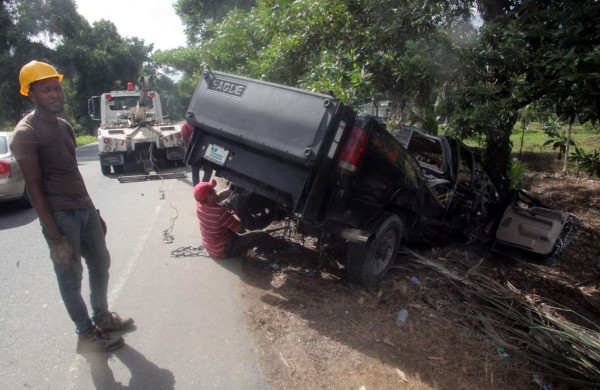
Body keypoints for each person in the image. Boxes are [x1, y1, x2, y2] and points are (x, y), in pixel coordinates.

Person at [9, 61, 134, 354]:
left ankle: (102, 317)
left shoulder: (63, 125)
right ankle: (86, 334)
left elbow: (72, 173)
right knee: (70, 276)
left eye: (56, 88)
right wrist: (55, 236)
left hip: (84, 210)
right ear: (32, 95)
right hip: (61, 217)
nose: (54, 94)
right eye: (46, 90)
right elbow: (35, 189)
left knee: (101, 262)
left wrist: (94, 212)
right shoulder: (25, 133)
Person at [194, 179, 284, 258]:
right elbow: (240, 229)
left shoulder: (200, 206)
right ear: (209, 196)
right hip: (225, 250)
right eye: (213, 190)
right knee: (261, 236)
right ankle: (288, 248)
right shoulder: (219, 213)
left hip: (211, 247)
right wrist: (233, 213)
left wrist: (234, 188)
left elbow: (219, 196)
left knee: (228, 211)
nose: (215, 190)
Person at [181, 121, 212, 185]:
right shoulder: (202, 123)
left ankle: (197, 190)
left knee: (195, 173)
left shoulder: (184, 126)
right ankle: (203, 187)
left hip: (192, 152)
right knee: (208, 170)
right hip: (203, 150)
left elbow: (185, 140)